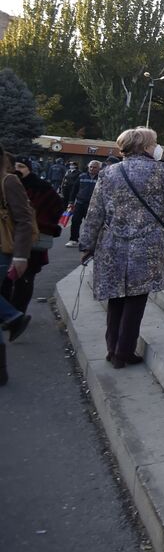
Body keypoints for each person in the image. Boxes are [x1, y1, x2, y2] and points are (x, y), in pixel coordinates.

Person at [78, 127, 164, 369]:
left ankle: (112, 347)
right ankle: (124, 351)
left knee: (116, 296)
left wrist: (87, 244)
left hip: (112, 243)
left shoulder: (109, 173)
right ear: (146, 146)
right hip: (148, 245)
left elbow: (95, 212)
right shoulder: (163, 171)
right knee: (137, 298)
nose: (158, 146)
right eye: (155, 142)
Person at [2, 158, 67, 322]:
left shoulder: (41, 187)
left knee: (25, 278)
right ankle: (10, 316)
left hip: (32, 240)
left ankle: (17, 314)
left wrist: (43, 224)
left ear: (30, 169)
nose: (18, 170)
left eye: (22, 167)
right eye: (15, 166)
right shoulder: (8, 184)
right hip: (9, 240)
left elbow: (57, 206)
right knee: (7, 280)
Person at [1, 145, 38, 384]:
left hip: (2, 250)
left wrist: (21, 255)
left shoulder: (8, 182)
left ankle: (12, 314)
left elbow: (24, 219)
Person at [64, 160, 101, 248]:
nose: (92, 169)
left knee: (91, 224)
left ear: (99, 168)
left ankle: (90, 242)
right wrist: (71, 202)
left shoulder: (101, 178)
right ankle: (73, 240)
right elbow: (74, 190)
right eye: (90, 167)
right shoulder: (81, 176)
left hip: (93, 205)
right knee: (75, 221)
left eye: (94, 167)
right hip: (80, 203)